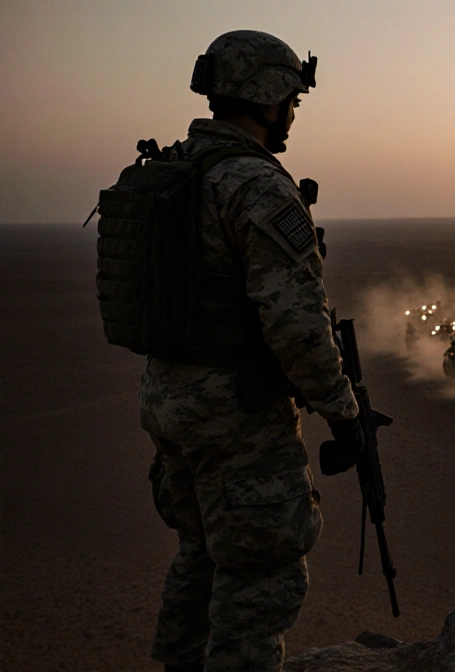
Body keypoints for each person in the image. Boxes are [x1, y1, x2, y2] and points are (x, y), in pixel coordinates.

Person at [134, 31, 361, 672]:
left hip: (170, 402)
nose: (292, 113)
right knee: (262, 574)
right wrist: (342, 412)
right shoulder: (255, 184)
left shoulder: (176, 169)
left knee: (202, 552)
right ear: (267, 96)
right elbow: (296, 323)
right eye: (291, 99)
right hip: (234, 415)